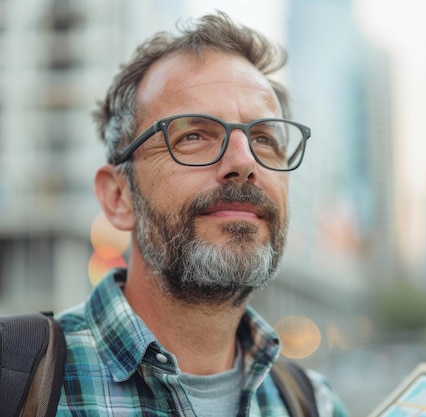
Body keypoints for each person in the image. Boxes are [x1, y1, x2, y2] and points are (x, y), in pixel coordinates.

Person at [54, 11, 350, 416]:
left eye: (264, 139)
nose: (245, 162)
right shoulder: (17, 382)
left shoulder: (316, 403)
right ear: (119, 198)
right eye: (193, 135)